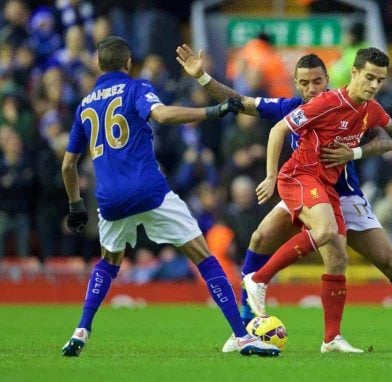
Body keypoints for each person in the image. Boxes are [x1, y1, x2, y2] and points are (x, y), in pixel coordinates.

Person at [176, 45, 392, 353]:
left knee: (387, 262)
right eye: (304, 83)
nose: (312, 88)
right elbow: (240, 103)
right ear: (296, 84)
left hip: (345, 194)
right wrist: (203, 78)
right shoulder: (291, 108)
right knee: (260, 239)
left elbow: (385, 137)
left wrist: (357, 152)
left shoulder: (353, 104)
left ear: (327, 79)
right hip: (305, 186)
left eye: (317, 81)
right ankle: (245, 329)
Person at [60, 36, 279, 357]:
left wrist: (76, 205)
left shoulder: (84, 105)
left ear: (97, 65)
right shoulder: (135, 88)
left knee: (108, 262)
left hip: (109, 200)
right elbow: (161, 115)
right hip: (149, 190)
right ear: (128, 63)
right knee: (204, 257)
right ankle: (243, 337)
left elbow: (68, 165)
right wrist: (213, 110)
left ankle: (81, 329)